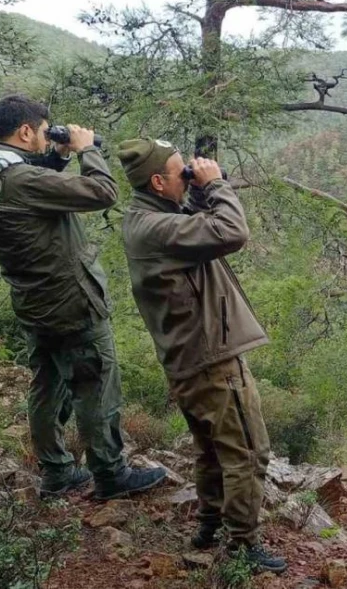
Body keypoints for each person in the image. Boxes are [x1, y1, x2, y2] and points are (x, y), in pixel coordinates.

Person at [0, 95, 165, 500]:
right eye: (45, 132)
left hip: (33, 300)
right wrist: (84, 151)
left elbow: (30, 189)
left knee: (47, 384)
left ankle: (57, 471)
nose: (48, 138)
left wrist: (58, 157)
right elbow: (102, 193)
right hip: (72, 300)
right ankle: (111, 474)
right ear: (26, 131)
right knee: (95, 381)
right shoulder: (22, 180)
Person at [115, 139, 285, 574]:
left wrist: (194, 190)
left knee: (211, 449)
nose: (187, 175)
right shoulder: (158, 228)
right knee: (248, 452)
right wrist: (218, 184)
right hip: (212, 361)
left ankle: (209, 525)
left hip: (188, 358)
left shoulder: (145, 217)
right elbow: (231, 231)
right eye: (179, 173)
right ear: (157, 182)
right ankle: (243, 546)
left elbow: (193, 225)